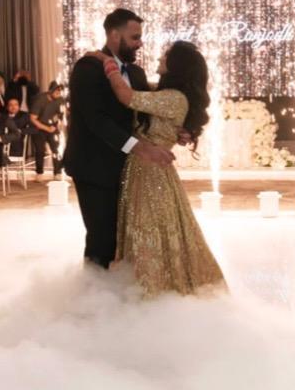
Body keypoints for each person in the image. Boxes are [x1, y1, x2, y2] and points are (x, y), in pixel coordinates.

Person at [89, 40, 225, 295]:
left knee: (148, 230)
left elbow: (126, 96)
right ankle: (151, 286)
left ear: (177, 65)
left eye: (166, 56)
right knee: (148, 229)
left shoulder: (174, 98)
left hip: (151, 171)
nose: (160, 58)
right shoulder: (167, 94)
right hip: (146, 169)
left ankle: (152, 289)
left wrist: (107, 63)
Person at [64, 8, 173, 269]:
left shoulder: (136, 73)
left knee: (125, 238)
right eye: (135, 37)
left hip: (127, 169)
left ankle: (115, 289)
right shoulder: (87, 68)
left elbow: (146, 112)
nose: (140, 43)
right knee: (101, 239)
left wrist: (177, 129)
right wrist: (139, 148)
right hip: (93, 167)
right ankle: (94, 290)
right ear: (114, 35)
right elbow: (96, 120)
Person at [29, 82, 65, 181]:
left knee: (56, 149)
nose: (59, 92)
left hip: (52, 127)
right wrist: (46, 128)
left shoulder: (60, 100)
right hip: (38, 128)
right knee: (40, 150)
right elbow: (32, 118)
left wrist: (58, 124)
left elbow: (61, 114)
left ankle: (57, 172)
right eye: (57, 90)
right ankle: (39, 172)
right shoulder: (40, 100)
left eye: (60, 91)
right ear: (51, 91)